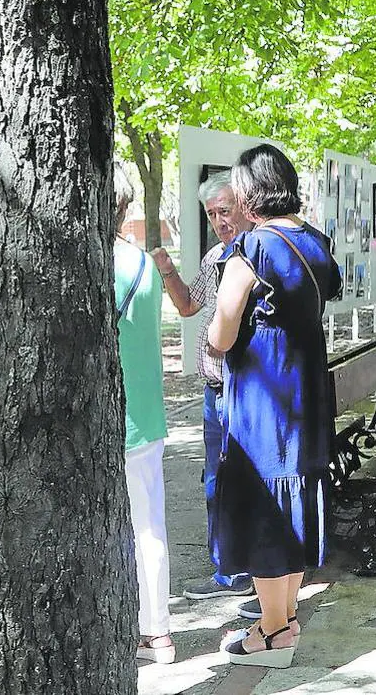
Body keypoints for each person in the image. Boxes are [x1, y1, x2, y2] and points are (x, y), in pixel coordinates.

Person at [209, 144, 341, 668]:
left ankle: (269, 630)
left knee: (264, 502)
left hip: (264, 393)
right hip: (306, 387)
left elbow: (221, 333)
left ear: (249, 193)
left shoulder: (253, 248)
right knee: (292, 498)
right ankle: (283, 622)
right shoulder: (314, 241)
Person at [150, 174, 256, 601]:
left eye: (224, 211)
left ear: (244, 206)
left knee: (243, 481)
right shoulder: (215, 256)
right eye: (212, 214)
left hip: (244, 389)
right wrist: (167, 270)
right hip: (214, 392)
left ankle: (251, 569)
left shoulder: (255, 252)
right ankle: (226, 570)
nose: (218, 221)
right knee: (215, 481)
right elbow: (188, 305)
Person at [113, 174, 174, 664]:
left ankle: (138, 626)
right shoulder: (143, 264)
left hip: (116, 413)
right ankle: (158, 631)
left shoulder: (99, 264)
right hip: (147, 410)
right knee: (149, 523)